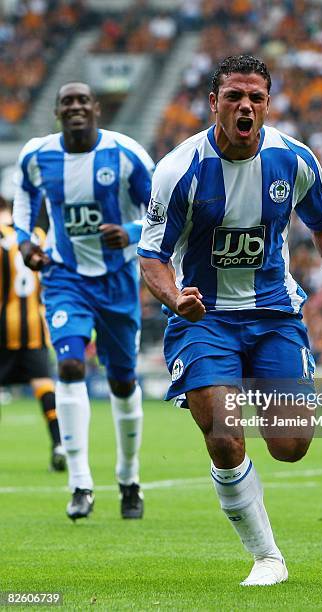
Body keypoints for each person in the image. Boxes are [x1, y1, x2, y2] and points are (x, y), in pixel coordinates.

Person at [138, 55, 322, 586]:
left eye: (255, 97)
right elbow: (152, 256)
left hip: (274, 313)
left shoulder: (293, 159)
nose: (245, 106)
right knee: (225, 438)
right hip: (205, 317)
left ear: (267, 103)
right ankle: (267, 556)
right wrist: (176, 298)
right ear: (214, 104)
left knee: (290, 446)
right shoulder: (180, 169)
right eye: (234, 97)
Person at [13, 82, 154, 520]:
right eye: (66, 102)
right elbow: (24, 197)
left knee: (122, 382)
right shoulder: (38, 156)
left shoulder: (127, 154)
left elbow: (161, 210)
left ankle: (129, 479)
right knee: (70, 365)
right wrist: (25, 241)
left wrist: (130, 233)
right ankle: (80, 485)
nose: (74, 107)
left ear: (95, 109)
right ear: (56, 112)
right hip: (64, 276)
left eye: (82, 101)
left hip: (116, 281)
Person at [0, 199, 65, 471]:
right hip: (35, 324)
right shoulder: (37, 236)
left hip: (3, 322)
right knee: (42, 384)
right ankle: (59, 444)